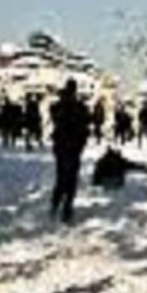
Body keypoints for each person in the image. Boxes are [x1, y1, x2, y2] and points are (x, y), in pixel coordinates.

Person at [49, 80, 90, 223]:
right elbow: (85, 127)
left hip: (64, 147)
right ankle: (65, 207)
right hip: (71, 147)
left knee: (62, 177)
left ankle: (58, 204)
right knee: (70, 178)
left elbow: (54, 115)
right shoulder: (79, 107)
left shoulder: (61, 106)